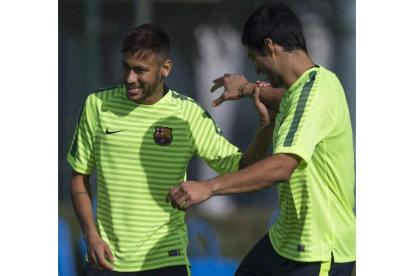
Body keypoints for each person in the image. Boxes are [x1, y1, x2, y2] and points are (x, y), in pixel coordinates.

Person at [67, 23, 280, 276]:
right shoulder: (96, 105)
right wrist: (90, 236)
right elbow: (79, 176)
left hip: (166, 260)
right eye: (125, 66)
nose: (129, 78)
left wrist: (266, 126)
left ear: (165, 69)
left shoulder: (187, 114)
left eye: (140, 70)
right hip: (109, 262)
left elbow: (243, 167)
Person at [167, 2, 356, 275]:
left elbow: (282, 166)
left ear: (270, 46)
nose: (256, 69)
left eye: (254, 58)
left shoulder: (315, 94)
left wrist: (208, 187)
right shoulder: (304, 88)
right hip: (285, 241)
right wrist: (246, 89)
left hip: (320, 248)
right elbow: (283, 98)